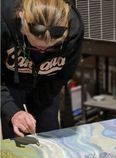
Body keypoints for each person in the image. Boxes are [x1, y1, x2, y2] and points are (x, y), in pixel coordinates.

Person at [1, 0, 84, 139]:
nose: (42, 51)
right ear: (21, 20)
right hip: (8, 81)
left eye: (51, 48)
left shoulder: (74, 28)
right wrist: (12, 111)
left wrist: (40, 102)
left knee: (49, 135)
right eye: (36, 47)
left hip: (48, 83)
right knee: (16, 136)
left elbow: (65, 73)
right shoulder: (3, 21)